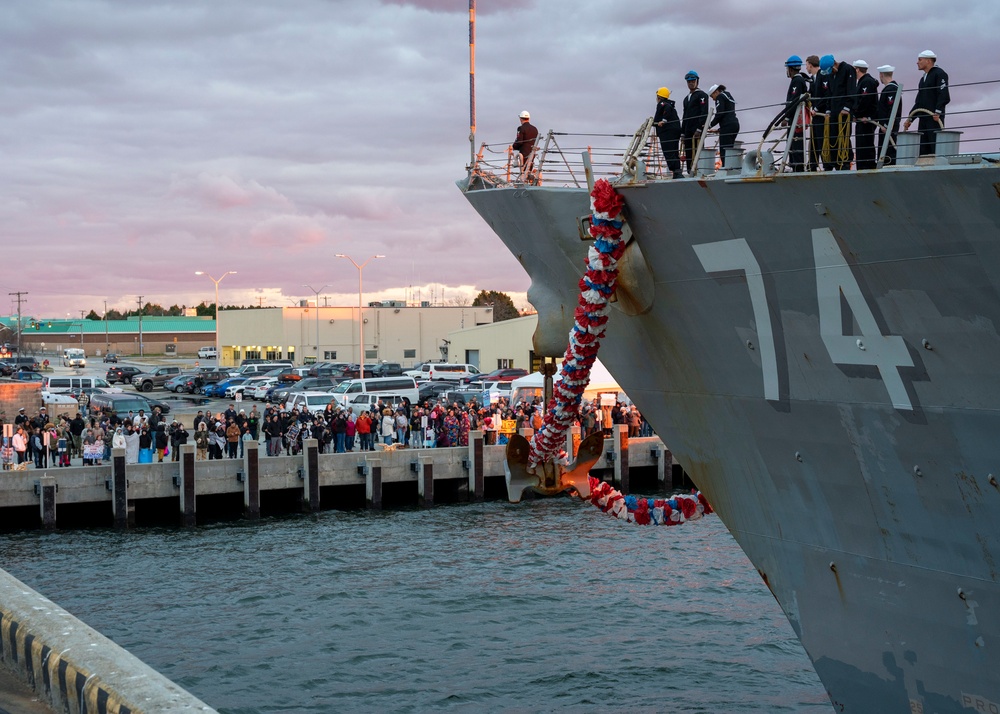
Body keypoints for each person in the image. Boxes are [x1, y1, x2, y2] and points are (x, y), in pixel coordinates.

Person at [904, 50, 950, 157]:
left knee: (935, 146)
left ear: (928, 61)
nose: (917, 62)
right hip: (923, 119)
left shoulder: (939, 74)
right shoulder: (923, 79)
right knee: (923, 148)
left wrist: (938, 111)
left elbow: (944, 95)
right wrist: (910, 118)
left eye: (920, 60)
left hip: (934, 118)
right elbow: (919, 102)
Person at [821, 54, 856, 170]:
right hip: (834, 111)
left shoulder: (848, 70)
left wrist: (847, 107)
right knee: (832, 136)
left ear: (835, 65)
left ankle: (845, 162)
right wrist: (828, 109)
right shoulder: (831, 75)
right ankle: (834, 161)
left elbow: (851, 90)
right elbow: (829, 93)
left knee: (844, 137)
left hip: (844, 112)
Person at [782, 55, 810, 172]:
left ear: (791, 69)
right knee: (793, 144)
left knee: (795, 144)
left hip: (795, 120)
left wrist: (786, 117)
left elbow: (793, 101)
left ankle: (797, 167)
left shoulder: (797, 81)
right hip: (796, 119)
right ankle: (795, 166)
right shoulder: (799, 80)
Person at [853, 60, 879, 170]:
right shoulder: (863, 82)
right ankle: (863, 166)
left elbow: (865, 101)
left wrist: (856, 113)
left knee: (865, 146)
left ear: (857, 69)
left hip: (866, 121)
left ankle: (866, 166)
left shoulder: (866, 82)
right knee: (861, 146)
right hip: (861, 120)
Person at [681, 70, 709, 175]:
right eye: (689, 82)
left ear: (697, 81)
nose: (691, 83)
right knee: (688, 152)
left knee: (697, 151)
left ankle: (699, 171)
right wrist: (682, 132)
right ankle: (690, 172)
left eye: (693, 81)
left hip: (696, 129)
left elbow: (704, 112)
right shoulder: (686, 99)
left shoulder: (702, 95)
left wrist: (699, 129)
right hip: (687, 129)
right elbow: (684, 116)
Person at [653, 87, 683, 179]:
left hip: (667, 132)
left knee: (668, 151)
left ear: (659, 97)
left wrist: (663, 120)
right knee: (674, 151)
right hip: (675, 131)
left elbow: (667, 108)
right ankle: (677, 171)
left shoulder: (663, 104)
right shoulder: (670, 105)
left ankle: (676, 172)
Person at [707, 84, 740, 167]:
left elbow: (720, 113)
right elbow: (728, 113)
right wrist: (720, 129)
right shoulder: (728, 95)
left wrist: (710, 125)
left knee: (724, 150)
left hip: (727, 126)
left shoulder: (720, 97)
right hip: (734, 124)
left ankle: (726, 168)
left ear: (716, 92)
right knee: (730, 149)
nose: (713, 99)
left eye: (712, 96)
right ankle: (731, 167)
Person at [877, 65, 901, 165]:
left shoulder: (891, 89)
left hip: (887, 128)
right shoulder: (891, 89)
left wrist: (887, 125)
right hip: (885, 127)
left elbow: (892, 109)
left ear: (881, 75)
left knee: (888, 152)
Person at [512, 110, 538, 178]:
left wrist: (514, 146)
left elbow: (519, 141)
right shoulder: (535, 129)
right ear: (528, 118)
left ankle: (523, 180)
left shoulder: (521, 128)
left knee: (523, 171)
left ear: (520, 118)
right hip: (532, 152)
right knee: (529, 169)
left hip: (523, 153)